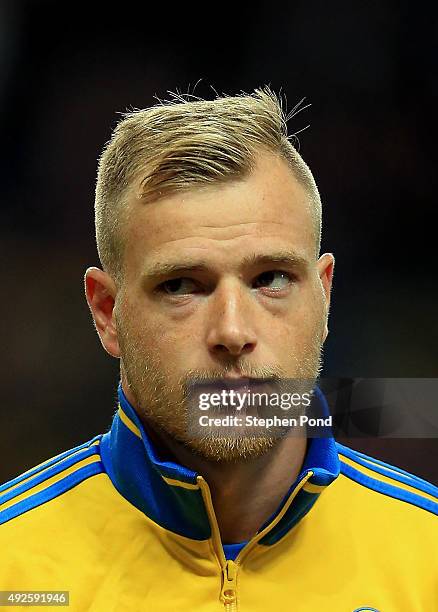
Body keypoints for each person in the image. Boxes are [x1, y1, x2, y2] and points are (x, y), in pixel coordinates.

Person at [1, 88, 437, 612]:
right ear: (106, 313)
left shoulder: (426, 559)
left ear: (323, 297)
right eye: (182, 285)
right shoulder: (13, 566)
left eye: (271, 278)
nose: (232, 331)